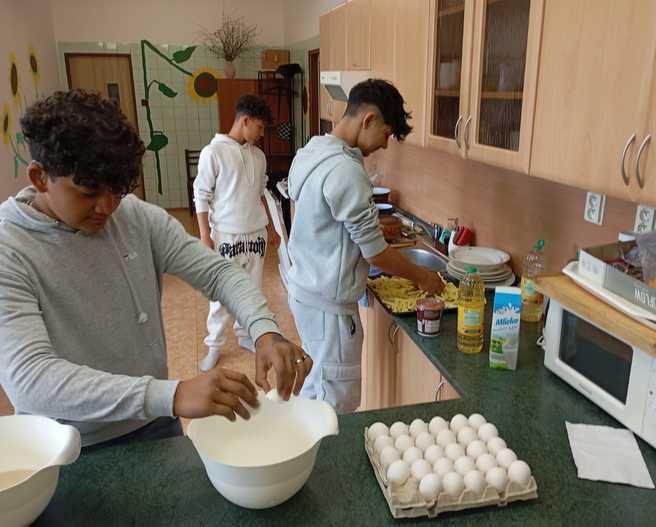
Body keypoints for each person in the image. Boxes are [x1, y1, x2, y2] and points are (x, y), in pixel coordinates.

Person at [0, 90, 312, 448]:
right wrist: (170, 395)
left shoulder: (134, 216)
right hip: (67, 442)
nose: (106, 208)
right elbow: (29, 379)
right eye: (89, 193)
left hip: (154, 423)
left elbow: (218, 273)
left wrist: (264, 329)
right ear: (40, 177)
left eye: (117, 191)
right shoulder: (10, 249)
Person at [286, 79, 444, 414]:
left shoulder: (314, 150)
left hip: (305, 292)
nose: (384, 145)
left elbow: (324, 217)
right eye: (386, 134)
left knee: (317, 386)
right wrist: (423, 277)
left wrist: (366, 229)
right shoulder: (346, 170)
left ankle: (307, 443)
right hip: (329, 309)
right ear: (368, 119)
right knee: (334, 404)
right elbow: (375, 255)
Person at [193, 94, 282, 372]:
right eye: (259, 127)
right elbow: (201, 196)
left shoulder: (258, 156)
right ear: (245, 120)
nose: (262, 133)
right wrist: (205, 236)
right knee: (221, 293)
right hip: (226, 236)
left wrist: (271, 227)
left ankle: (246, 336)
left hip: (255, 235)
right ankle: (214, 345)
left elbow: (261, 194)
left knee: (252, 291)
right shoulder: (213, 153)